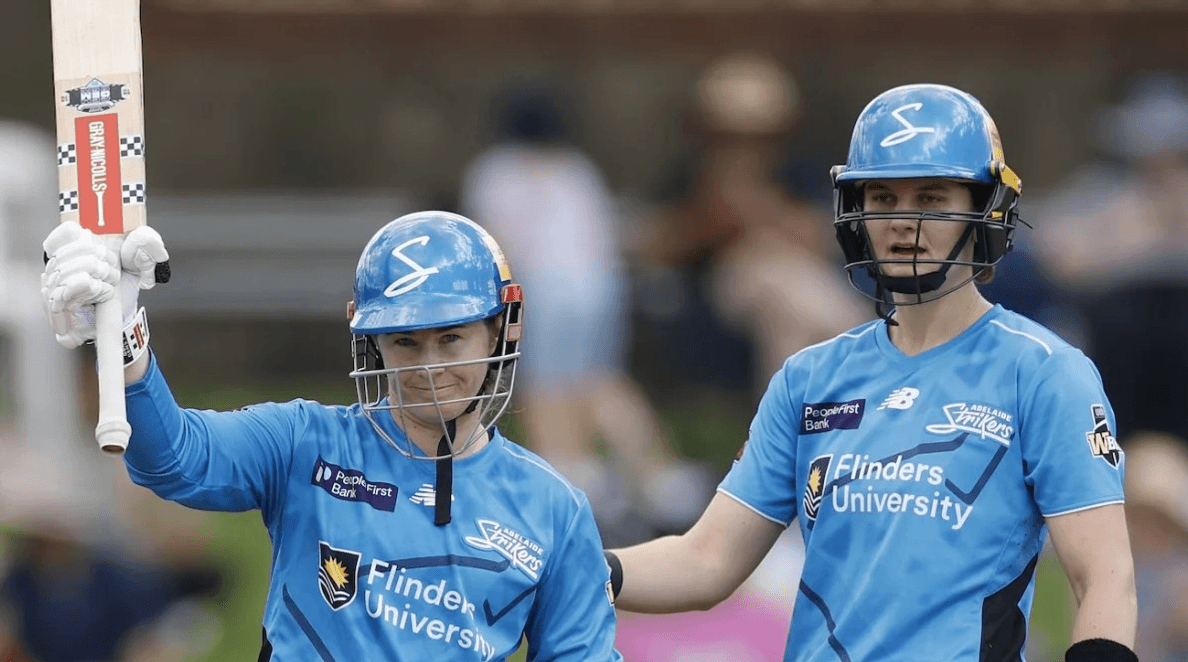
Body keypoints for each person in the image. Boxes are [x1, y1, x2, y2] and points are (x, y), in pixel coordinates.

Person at [603, 83, 1138, 662]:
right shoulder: (808, 378)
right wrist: (575, 568)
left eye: (931, 198)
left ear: (989, 208)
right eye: (882, 197)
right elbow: (706, 561)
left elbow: (1104, 579)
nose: (903, 222)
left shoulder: (1045, 373)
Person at [39, 210, 622, 661]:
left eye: (451, 339)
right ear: (373, 344)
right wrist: (123, 338)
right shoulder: (306, 441)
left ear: (499, 331)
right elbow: (175, 459)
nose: (428, 367)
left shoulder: (555, 509)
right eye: (405, 342)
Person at [460, 82, 711, 543]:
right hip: (600, 284)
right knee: (599, 379)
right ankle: (661, 481)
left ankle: (574, 479)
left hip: (542, 285)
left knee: (545, 383)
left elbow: (497, 242)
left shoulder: (495, 171)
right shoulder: (577, 169)